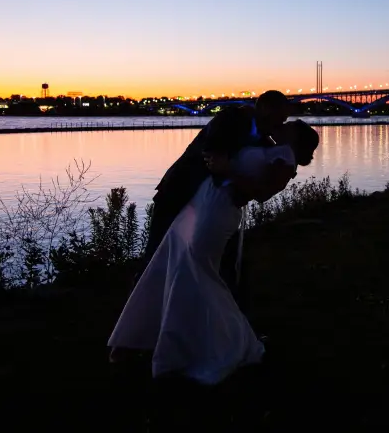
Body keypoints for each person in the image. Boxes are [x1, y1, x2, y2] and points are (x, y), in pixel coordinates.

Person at [107, 119, 320, 384]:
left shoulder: (286, 161)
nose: (285, 122)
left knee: (197, 271)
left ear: (296, 137)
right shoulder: (265, 144)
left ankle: (211, 342)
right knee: (170, 258)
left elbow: (261, 193)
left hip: (220, 209)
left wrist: (228, 169)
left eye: (292, 124)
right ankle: (140, 339)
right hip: (204, 197)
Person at [140, 90, 290, 304]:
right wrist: (240, 183)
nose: (282, 123)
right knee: (157, 251)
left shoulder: (265, 141)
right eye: (281, 117)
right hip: (180, 191)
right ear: (266, 108)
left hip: (214, 204)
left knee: (222, 259)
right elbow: (213, 154)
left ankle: (220, 307)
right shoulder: (230, 119)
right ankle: (145, 303)